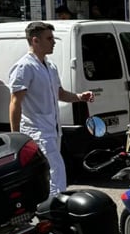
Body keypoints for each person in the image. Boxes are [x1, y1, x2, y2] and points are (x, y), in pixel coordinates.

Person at [9, 22, 95, 195]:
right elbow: (15, 103)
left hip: (54, 129)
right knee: (57, 171)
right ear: (35, 41)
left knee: (50, 173)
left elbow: (60, 93)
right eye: (49, 38)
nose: (53, 42)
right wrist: (16, 138)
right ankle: (56, 208)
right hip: (36, 131)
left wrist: (78, 97)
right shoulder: (24, 67)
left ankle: (48, 209)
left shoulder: (50, 66)